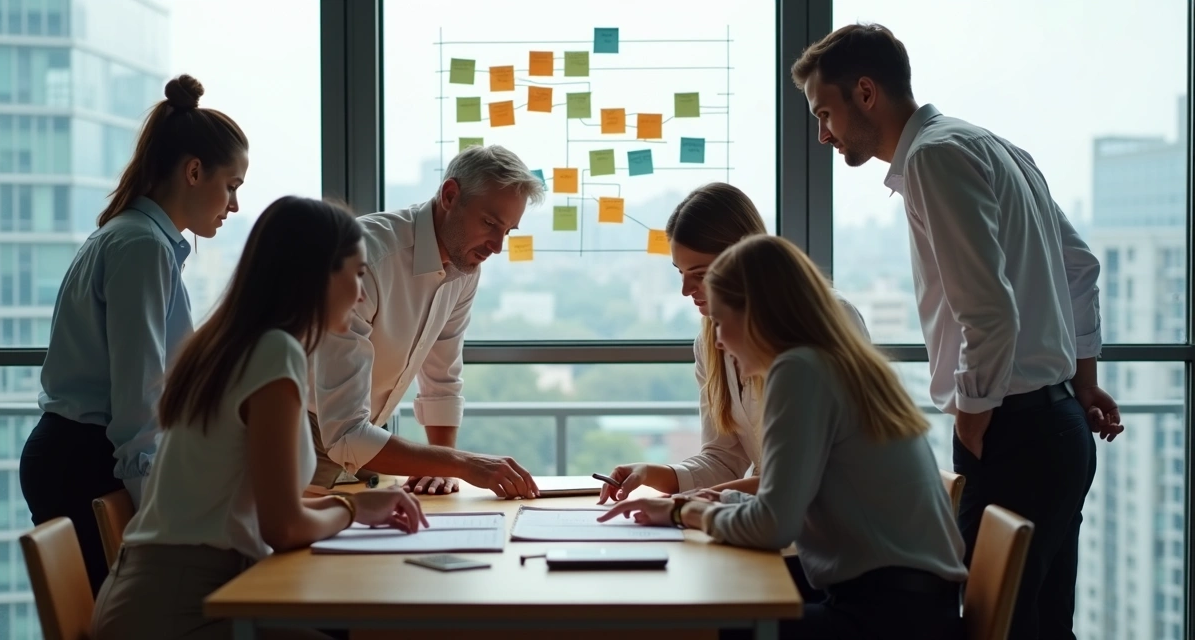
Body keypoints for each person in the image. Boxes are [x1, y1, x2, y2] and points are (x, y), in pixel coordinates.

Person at [791, 23, 1123, 638]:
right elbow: (1081, 269)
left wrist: (971, 420)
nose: (822, 134)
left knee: (977, 624)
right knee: (1042, 627)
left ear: (866, 92)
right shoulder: (993, 146)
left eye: (825, 113)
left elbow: (989, 314)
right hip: (1056, 427)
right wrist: (1082, 381)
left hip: (1013, 430)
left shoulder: (933, 158)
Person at [91, 196, 428, 640]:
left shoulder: (231, 342)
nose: (363, 292)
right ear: (318, 275)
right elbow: (283, 527)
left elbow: (258, 507)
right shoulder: (274, 352)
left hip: (167, 592)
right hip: (179, 609)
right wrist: (350, 509)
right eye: (358, 273)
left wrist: (354, 507)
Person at [600, 234, 968, 639]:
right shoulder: (832, 360)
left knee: (697, 625)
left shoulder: (800, 371)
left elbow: (774, 526)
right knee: (718, 597)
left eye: (722, 321)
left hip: (886, 617)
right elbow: (792, 498)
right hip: (913, 603)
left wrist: (682, 512)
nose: (719, 340)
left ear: (756, 313)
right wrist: (719, 499)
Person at [21, 74, 248, 595]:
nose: (233, 205)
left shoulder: (132, 237)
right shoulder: (142, 247)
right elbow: (140, 399)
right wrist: (160, 518)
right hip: (84, 461)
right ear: (195, 171)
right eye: (231, 185)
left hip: (80, 454)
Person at [596, 183, 868, 599]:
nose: (687, 292)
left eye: (700, 275)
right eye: (680, 274)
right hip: (799, 544)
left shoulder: (821, 327)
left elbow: (810, 479)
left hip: (837, 554)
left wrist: (687, 507)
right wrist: (658, 476)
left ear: (744, 261)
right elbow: (726, 457)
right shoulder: (715, 339)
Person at [308, 144, 545, 499]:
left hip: (361, 432)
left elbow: (442, 377)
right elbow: (344, 434)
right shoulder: (368, 256)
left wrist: (441, 470)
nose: (497, 246)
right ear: (450, 195)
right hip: (302, 431)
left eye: (508, 231)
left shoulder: (466, 264)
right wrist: (459, 463)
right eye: (489, 223)